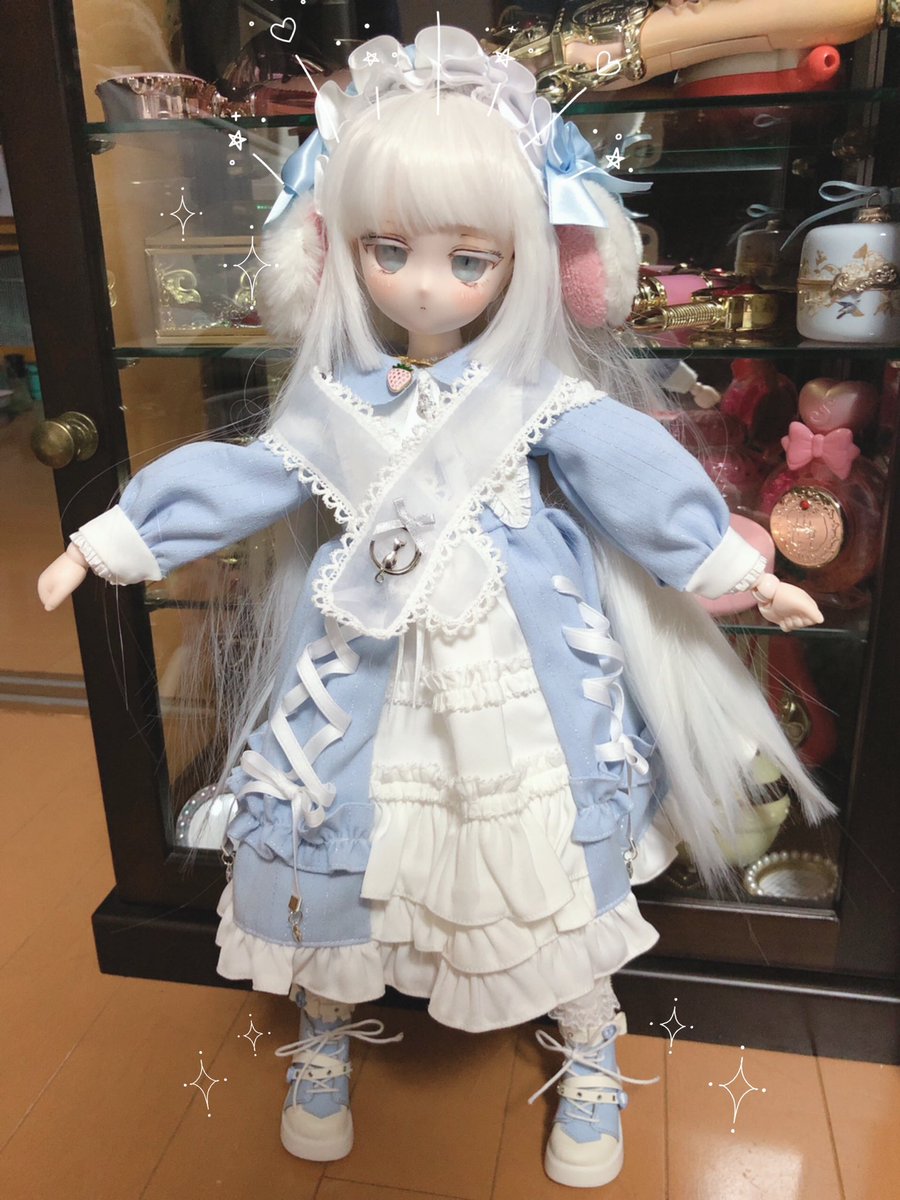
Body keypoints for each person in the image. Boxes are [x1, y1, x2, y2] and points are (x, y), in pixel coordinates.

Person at [39, 26, 831, 1190]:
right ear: (339, 250)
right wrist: (114, 538)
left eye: (470, 258)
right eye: (389, 250)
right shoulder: (333, 401)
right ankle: (326, 1023)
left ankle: (590, 1037)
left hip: (515, 661)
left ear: (527, 261)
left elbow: (638, 481)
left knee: (534, 837)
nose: (424, 285)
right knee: (338, 825)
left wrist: (739, 569)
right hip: (360, 660)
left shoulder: (536, 394)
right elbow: (248, 476)